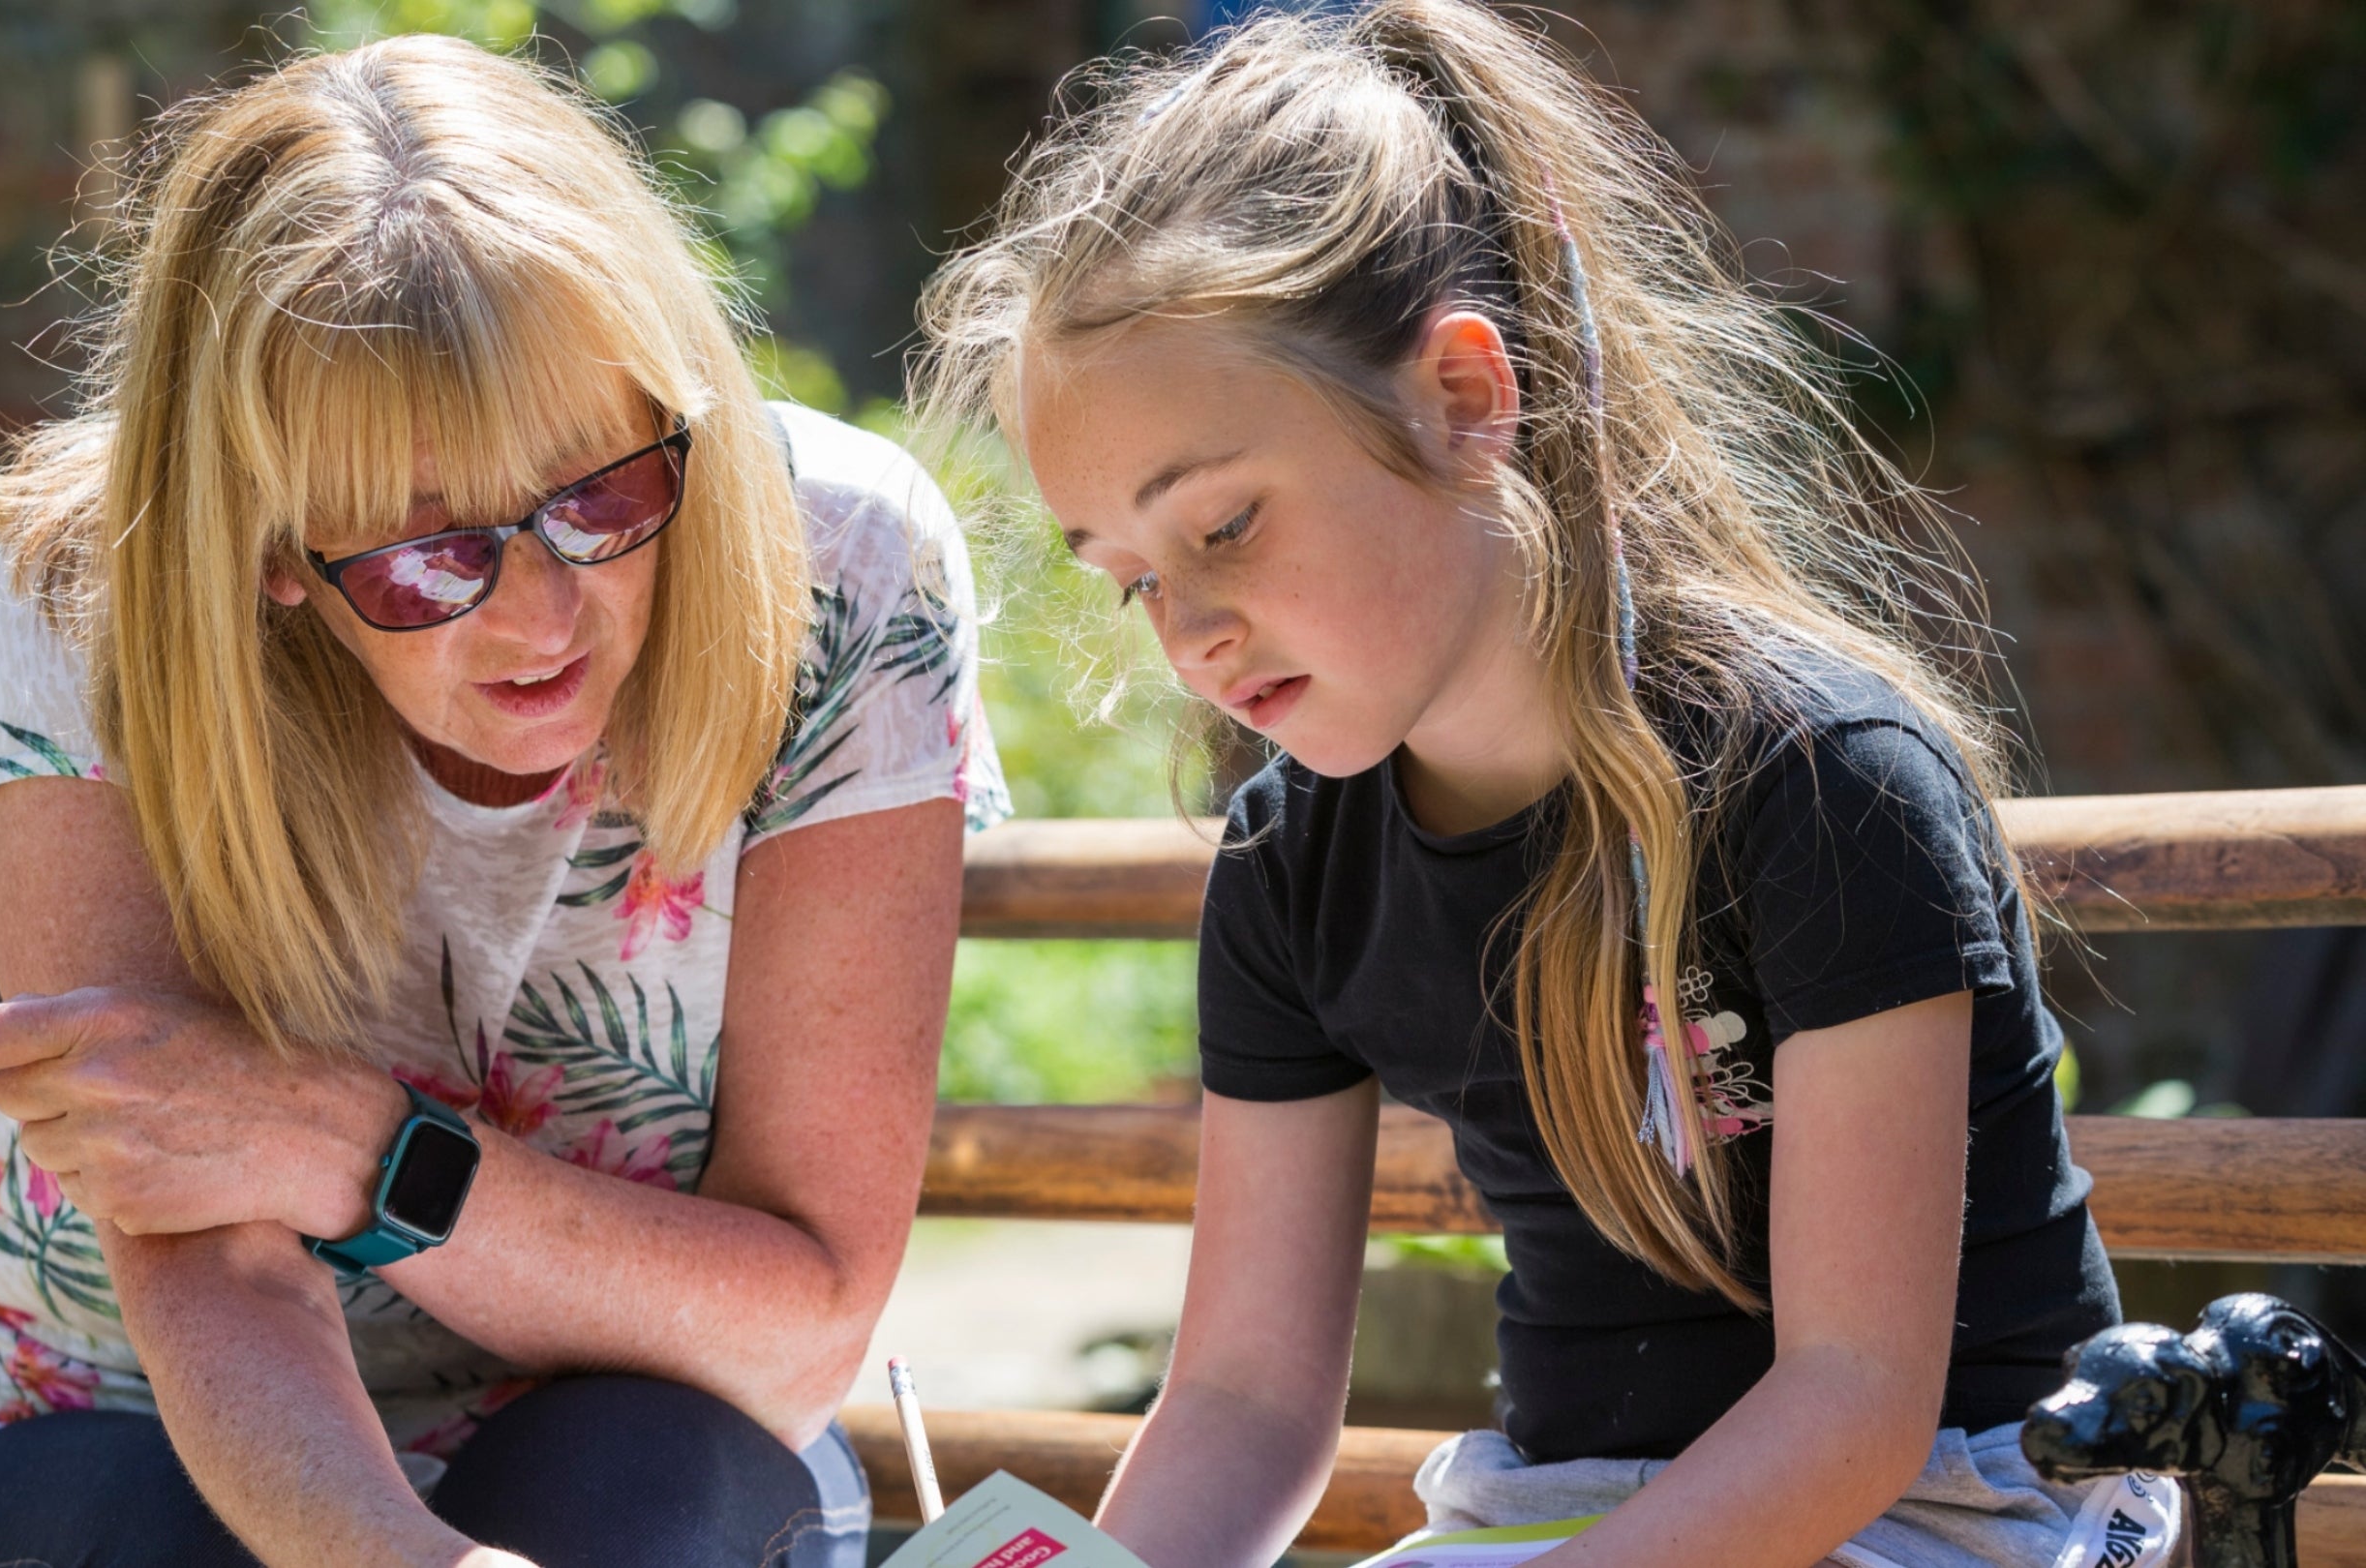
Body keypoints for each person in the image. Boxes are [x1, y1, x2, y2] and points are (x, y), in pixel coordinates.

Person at [916, 5, 2149, 1565]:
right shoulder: (1291, 871)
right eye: (1130, 576)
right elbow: (1240, 1396)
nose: (1187, 630)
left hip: (1964, 1506)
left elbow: (1854, 1405)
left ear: (1460, 398)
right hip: (1576, 1519)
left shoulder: (1822, 784)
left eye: (1223, 527)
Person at [0, 35, 1007, 1568]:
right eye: (430, 558)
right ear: (267, 551)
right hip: (77, 1423)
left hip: (633, 1419)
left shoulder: (838, 563)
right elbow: (213, 1269)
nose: (542, 618)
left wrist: (354, 1151)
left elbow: (806, 1316)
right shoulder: (97, 589)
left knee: (641, 1495)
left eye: (602, 494)